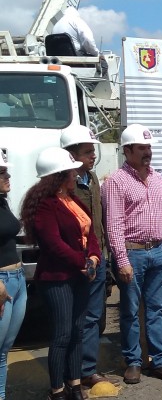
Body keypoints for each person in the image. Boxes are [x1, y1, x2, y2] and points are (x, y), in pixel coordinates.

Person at [102, 124, 162, 386]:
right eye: (142, 148)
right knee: (129, 310)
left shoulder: (158, 179)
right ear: (127, 150)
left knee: (157, 310)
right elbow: (113, 225)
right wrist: (122, 261)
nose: (148, 152)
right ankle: (133, 362)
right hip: (132, 253)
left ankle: (159, 362)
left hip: (158, 251)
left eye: (149, 147)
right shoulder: (116, 181)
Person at [20, 147, 101, 400]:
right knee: (62, 334)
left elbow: (91, 233)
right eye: (71, 172)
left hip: (79, 275)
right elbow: (53, 244)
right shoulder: (46, 205)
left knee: (77, 331)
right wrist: (82, 262)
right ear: (59, 175)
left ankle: (74, 385)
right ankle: (57, 390)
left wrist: (94, 258)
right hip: (57, 278)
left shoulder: (72, 199)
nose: (76, 175)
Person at [60, 125, 117, 391]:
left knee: (94, 315)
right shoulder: (62, 185)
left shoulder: (91, 178)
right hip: (76, 261)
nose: (93, 156)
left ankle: (87, 370)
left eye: (93, 151)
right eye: (87, 152)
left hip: (97, 257)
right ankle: (69, 371)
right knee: (73, 318)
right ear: (71, 155)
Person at [0, 152, 25, 400]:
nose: (8, 176)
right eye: (1, 172)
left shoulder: (2, 201)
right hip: (1, 282)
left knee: (4, 349)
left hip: (16, 279)